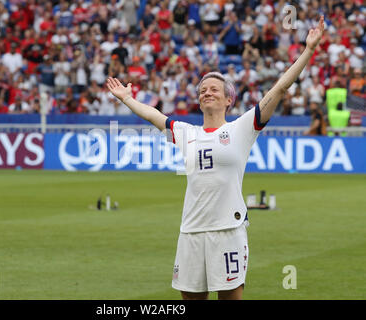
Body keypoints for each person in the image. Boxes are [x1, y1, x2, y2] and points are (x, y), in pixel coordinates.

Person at [106, 16, 325, 300]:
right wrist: (126, 98)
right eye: (202, 90)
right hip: (191, 230)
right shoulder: (186, 132)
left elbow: (279, 89)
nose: (207, 92)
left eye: (214, 89)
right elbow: (154, 116)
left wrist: (308, 50)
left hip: (228, 230)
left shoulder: (242, 128)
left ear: (228, 100)